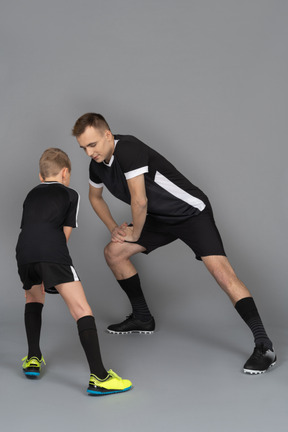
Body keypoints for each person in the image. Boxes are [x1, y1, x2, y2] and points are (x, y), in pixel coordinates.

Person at [72, 113, 276, 375]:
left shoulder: (129, 149)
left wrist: (135, 233)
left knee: (223, 275)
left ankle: (265, 346)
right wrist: (114, 228)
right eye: (84, 148)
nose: (89, 152)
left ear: (108, 135)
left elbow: (140, 200)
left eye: (93, 145)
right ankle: (143, 317)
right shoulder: (97, 165)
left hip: (191, 213)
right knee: (114, 252)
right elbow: (95, 197)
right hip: (158, 218)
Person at [16, 147, 132, 395]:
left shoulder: (30, 194)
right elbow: (62, 237)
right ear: (65, 172)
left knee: (33, 298)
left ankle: (33, 358)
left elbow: (31, 228)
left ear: (40, 176)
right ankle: (100, 377)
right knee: (81, 310)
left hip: (24, 253)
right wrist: (54, 270)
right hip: (52, 253)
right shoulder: (71, 194)